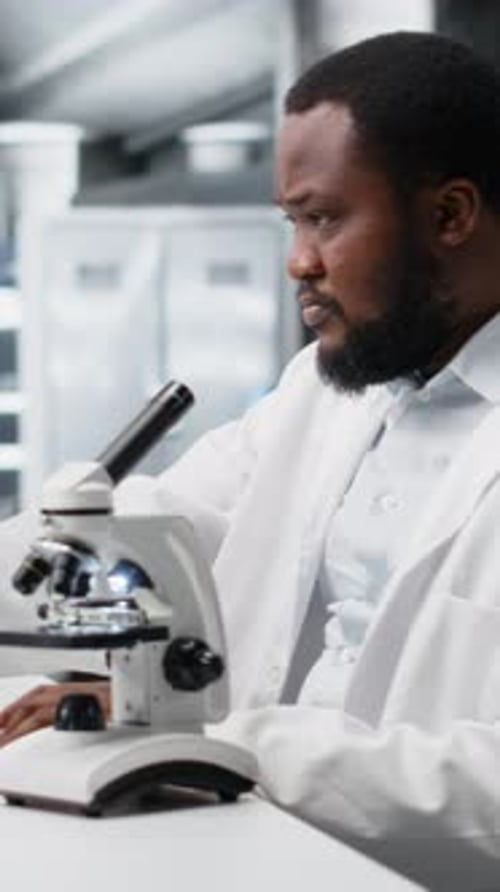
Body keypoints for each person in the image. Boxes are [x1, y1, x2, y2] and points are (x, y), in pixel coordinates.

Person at [2, 29, 500, 888]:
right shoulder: (326, 388)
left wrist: (219, 747)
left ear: (450, 216)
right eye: (292, 221)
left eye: (325, 218)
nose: (298, 262)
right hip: (253, 847)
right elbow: (148, 526)